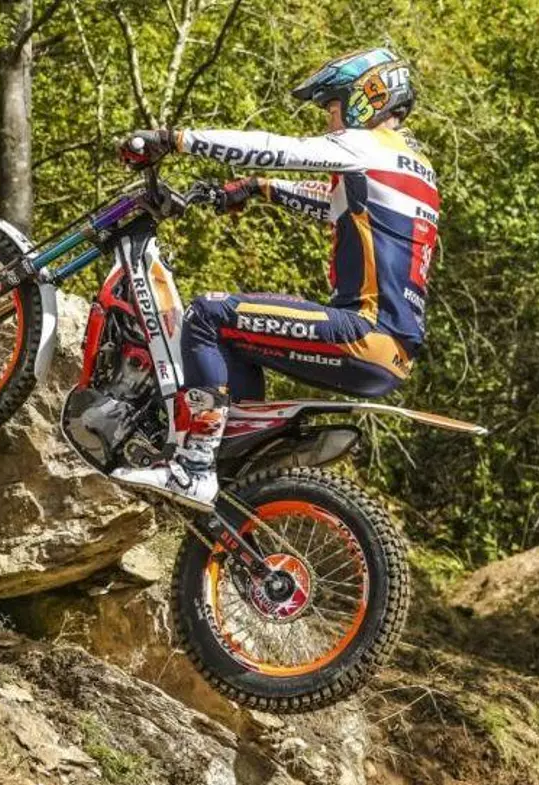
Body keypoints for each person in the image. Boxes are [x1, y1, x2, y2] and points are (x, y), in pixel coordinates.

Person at [111, 47, 440, 509]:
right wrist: (259, 188)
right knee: (234, 336)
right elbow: (332, 205)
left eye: (332, 107)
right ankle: (231, 472)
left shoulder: (366, 146)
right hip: (393, 351)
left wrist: (174, 139)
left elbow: (274, 147)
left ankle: (193, 466)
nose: (329, 121)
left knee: (207, 314)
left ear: (369, 97)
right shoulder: (414, 170)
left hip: (362, 332)